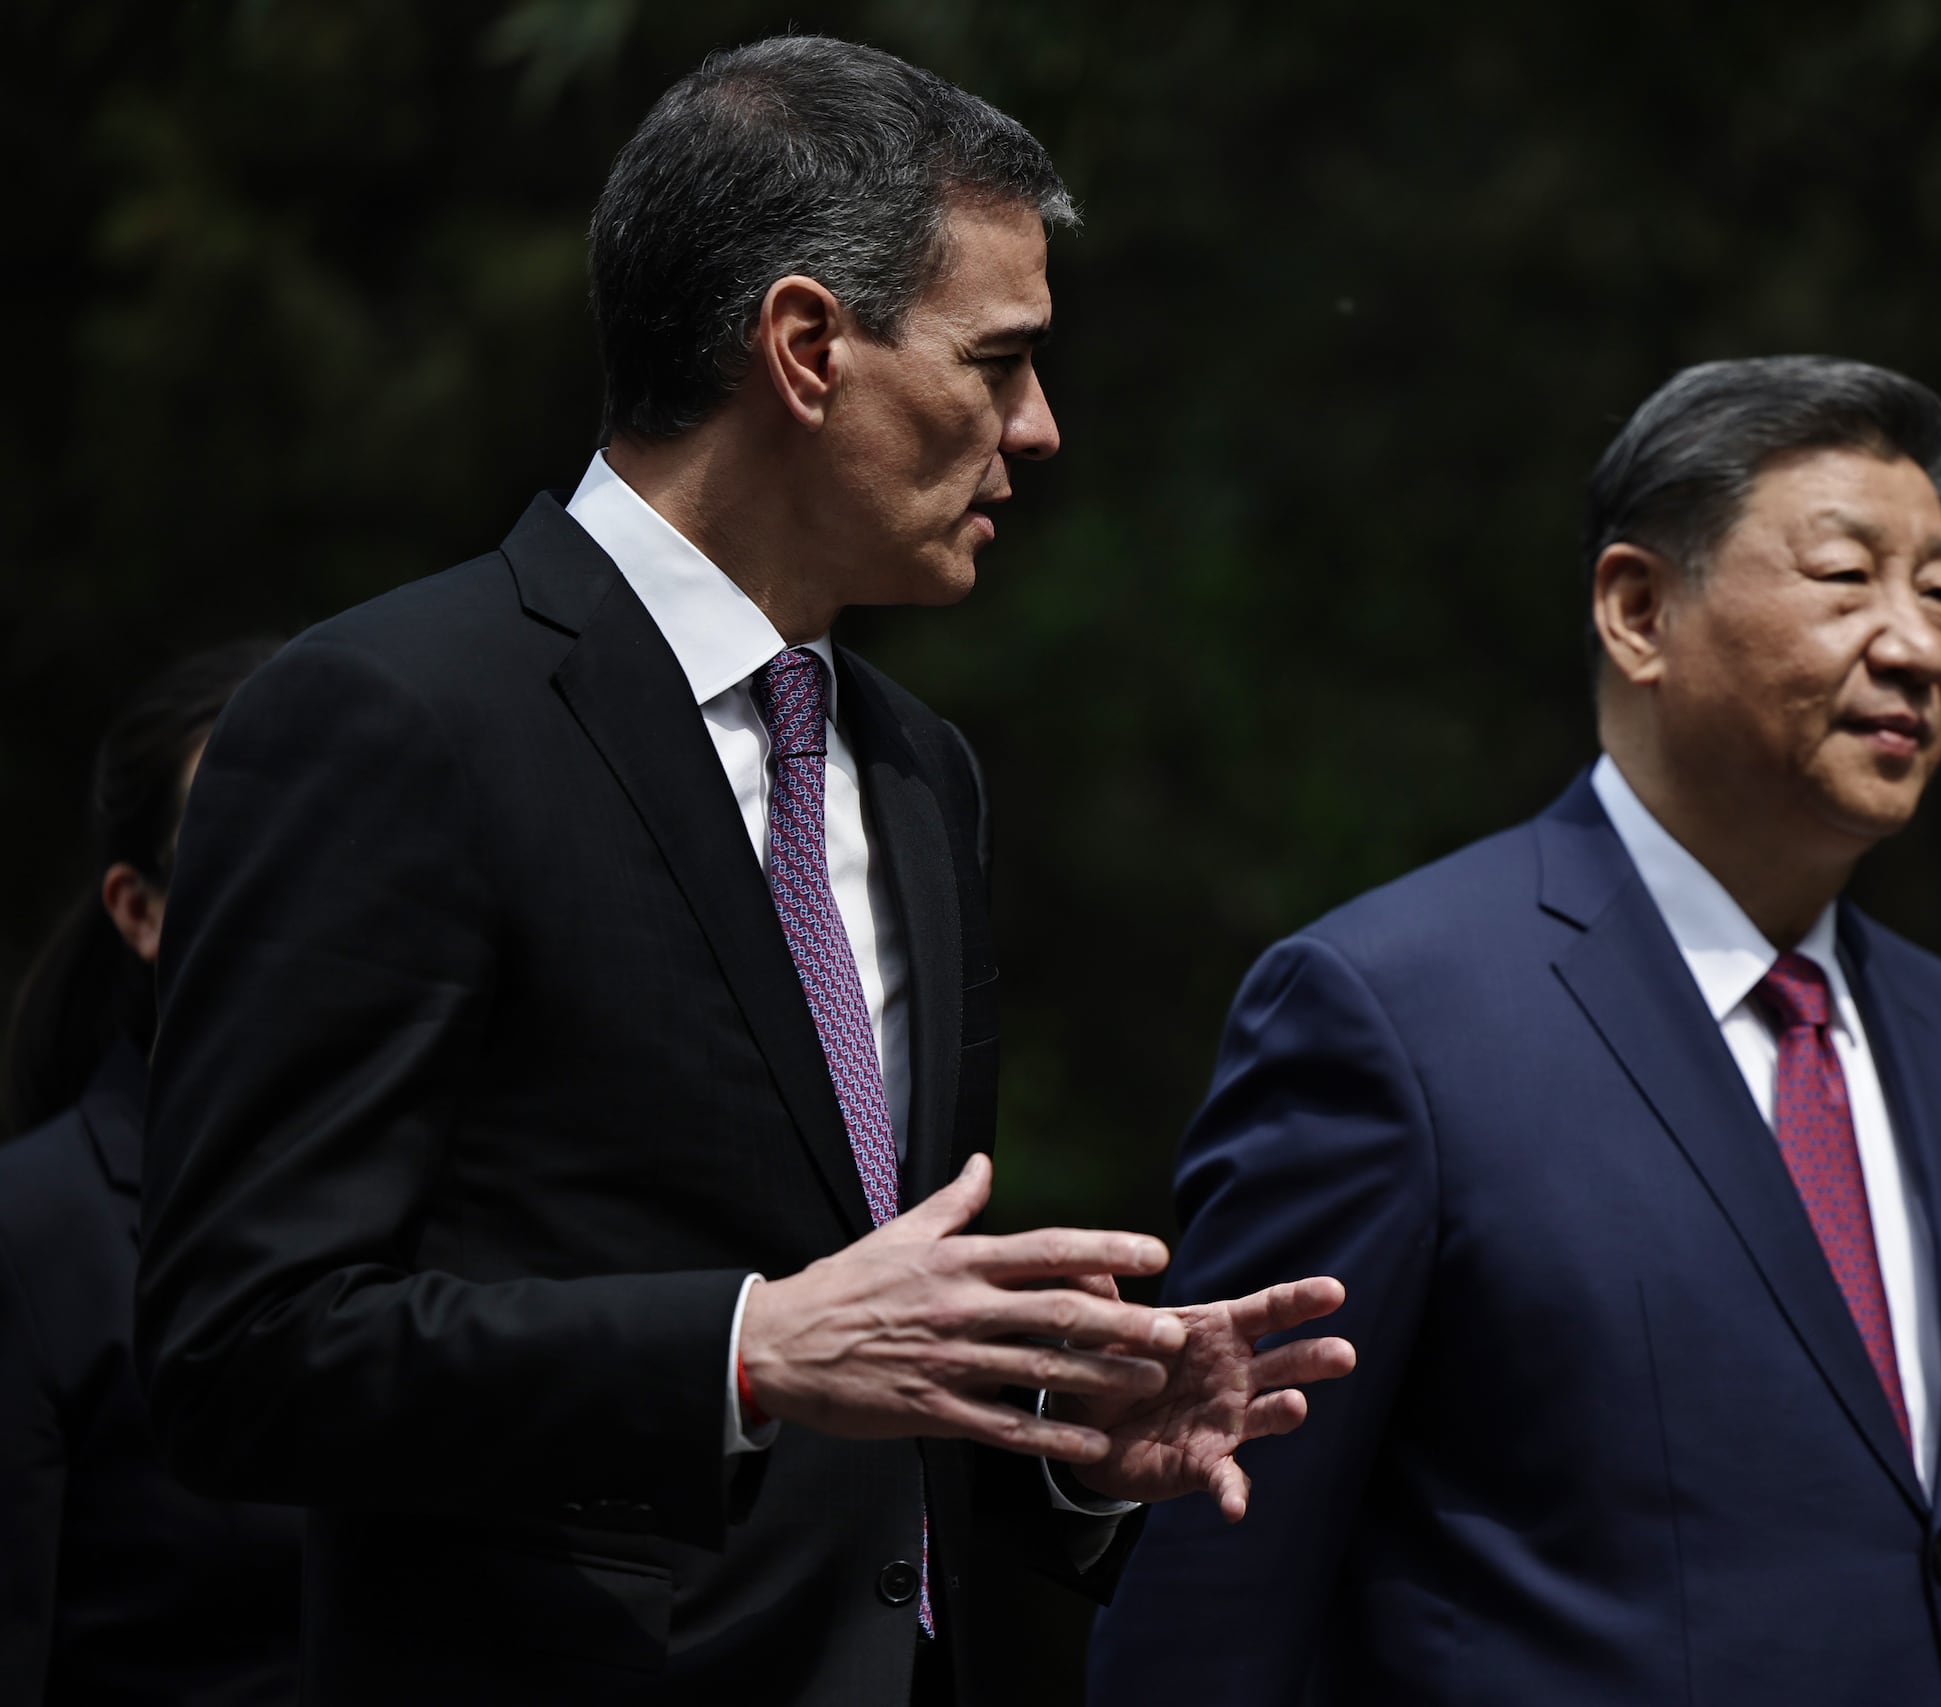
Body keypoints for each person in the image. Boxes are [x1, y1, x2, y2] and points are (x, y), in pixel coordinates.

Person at [133, 37, 1351, 1707]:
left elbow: (870, 1335)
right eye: (998, 362)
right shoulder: (393, 714)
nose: (1039, 427)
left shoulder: (921, 771)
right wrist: (740, 1350)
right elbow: (240, 1352)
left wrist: (1062, 1427)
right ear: (806, 348)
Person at [1089, 356, 1941, 1705]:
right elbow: (1221, 1581)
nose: (1916, 646)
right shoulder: (1394, 1015)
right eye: (1846, 576)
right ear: (1639, 609)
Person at [0, 638, 301, 1704]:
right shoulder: (34, 1237)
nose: (310, 894)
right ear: (139, 909)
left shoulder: (480, 1199)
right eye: (250, 849)